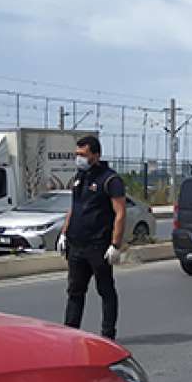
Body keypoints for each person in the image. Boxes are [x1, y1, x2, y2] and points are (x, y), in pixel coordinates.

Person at [58, 135, 126, 341]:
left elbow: (120, 213)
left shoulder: (110, 180)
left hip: (98, 246)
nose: (79, 158)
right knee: (75, 291)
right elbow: (74, 207)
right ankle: (70, 331)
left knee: (105, 290)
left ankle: (108, 335)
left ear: (95, 155)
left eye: (83, 155)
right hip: (76, 245)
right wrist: (64, 233)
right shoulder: (79, 177)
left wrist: (115, 245)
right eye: (77, 154)